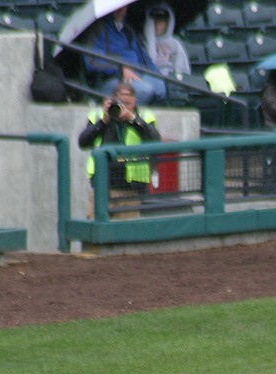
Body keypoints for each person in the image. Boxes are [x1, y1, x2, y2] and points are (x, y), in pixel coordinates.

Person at [77, 81, 161, 220]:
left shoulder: (145, 117)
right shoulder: (98, 115)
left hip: (131, 188)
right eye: (120, 103)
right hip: (102, 184)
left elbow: (155, 139)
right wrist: (104, 121)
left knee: (127, 233)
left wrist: (132, 119)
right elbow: (83, 142)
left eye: (127, 103)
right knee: (96, 231)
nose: (123, 107)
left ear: (135, 101)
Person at [86, 5, 167, 105]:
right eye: (117, 7)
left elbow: (144, 59)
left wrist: (158, 75)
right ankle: (128, 118)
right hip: (110, 79)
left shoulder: (128, 30)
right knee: (145, 90)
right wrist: (120, 68)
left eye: (124, 7)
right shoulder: (98, 28)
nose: (120, 10)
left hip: (136, 75)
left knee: (161, 87)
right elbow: (92, 62)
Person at [145, 3, 191, 79]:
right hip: (153, 78)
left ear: (168, 22)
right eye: (154, 21)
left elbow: (183, 69)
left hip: (172, 80)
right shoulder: (143, 41)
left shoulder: (175, 43)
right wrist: (150, 38)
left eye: (161, 22)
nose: (157, 25)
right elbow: (148, 61)